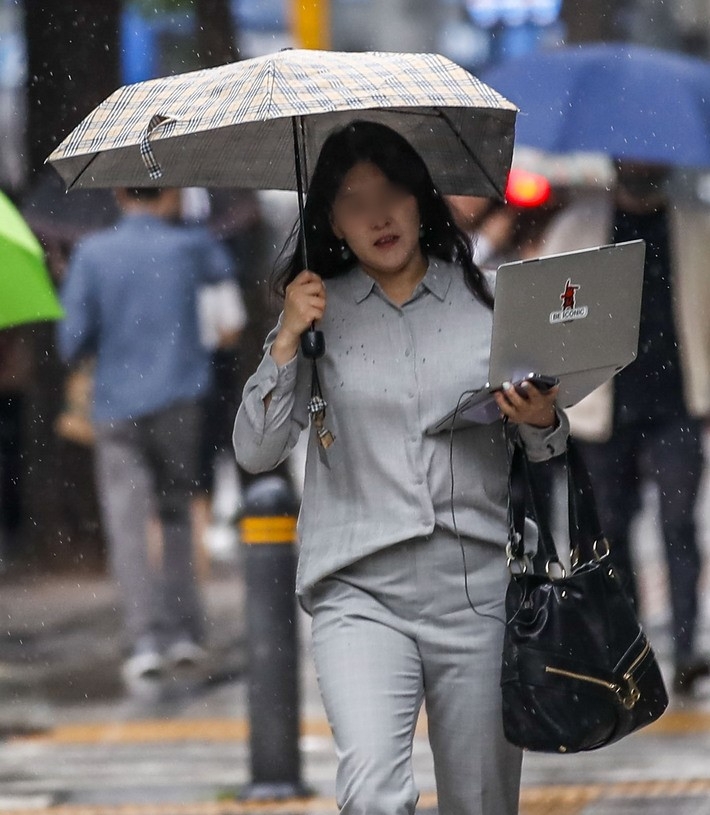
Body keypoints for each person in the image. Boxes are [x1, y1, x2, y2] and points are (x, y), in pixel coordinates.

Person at [233, 121, 569, 815]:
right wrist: (288, 336)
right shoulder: (317, 313)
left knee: (480, 801)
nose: (377, 215)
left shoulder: (491, 309)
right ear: (332, 220)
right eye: (353, 201)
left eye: (390, 193)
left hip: (477, 591)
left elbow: (546, 456)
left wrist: (539, 422)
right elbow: (256, 449)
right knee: (375, 796)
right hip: (359, 591)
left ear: (420, 200)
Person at [541, 163, 710, 695]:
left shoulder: (695, 224)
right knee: (610, 529)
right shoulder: (580, 226)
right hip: (601, 405)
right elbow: (548, 309)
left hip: (678, 401)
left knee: (679, 523)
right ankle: (630, 648)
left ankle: (685, 649)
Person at [58, 187, 235, 684]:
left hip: (116, 404)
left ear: (118, 193)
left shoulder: (93, 253)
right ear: (171, 193)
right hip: (181, 398)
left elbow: (71, 340)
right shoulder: (192, 246)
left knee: (127, 523)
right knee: (178, 513)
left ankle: (144, 640)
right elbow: (227, 300)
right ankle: (185, 632)